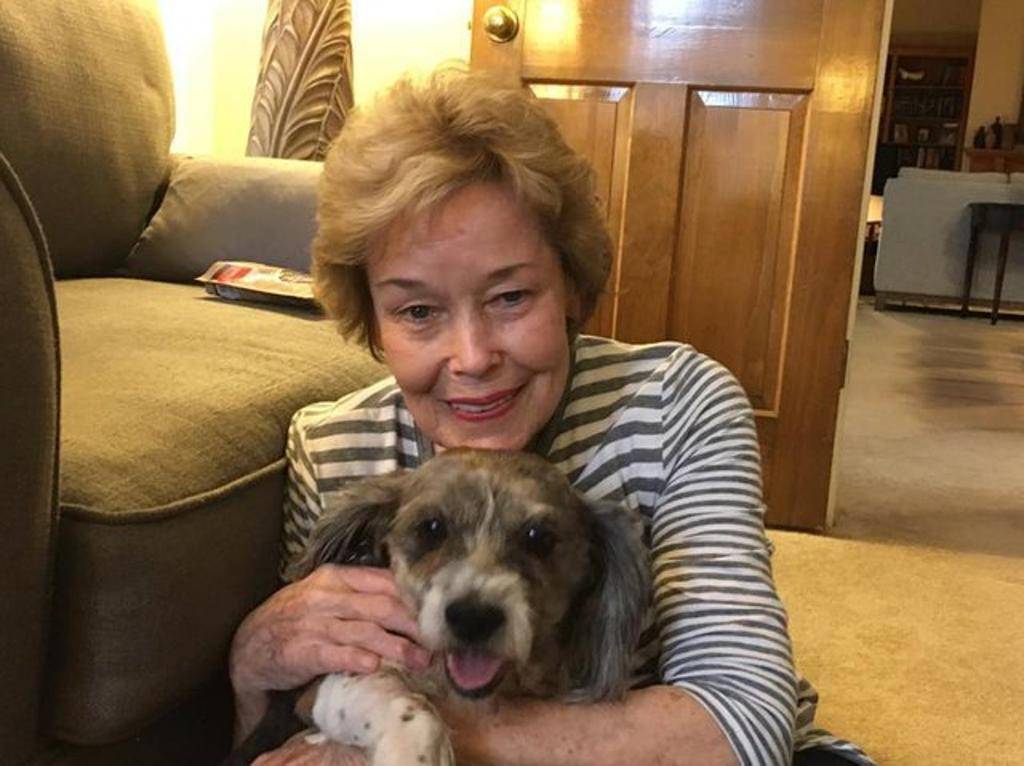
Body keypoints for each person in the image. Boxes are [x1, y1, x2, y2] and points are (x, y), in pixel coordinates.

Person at [228, 68, 873, 766]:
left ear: (569, 285)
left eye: (510, 297)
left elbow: (744, 729)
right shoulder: (333, 447)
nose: (473, 357)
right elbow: (280, 726)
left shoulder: (677, 405)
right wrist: (253, 658)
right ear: (372, 318)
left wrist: (406, 745)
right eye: (417, 310)